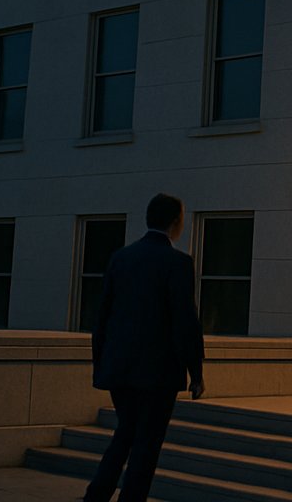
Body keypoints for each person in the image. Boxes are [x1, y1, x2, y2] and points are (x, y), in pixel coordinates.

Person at [85, 193, 206, 502]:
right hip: (157, 373)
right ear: (176, 222)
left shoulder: (121, 257)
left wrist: (101, 364)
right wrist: (196, 371)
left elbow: (102, 317)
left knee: (125, 434)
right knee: (147, 444)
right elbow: (185, 320)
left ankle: (97, 494)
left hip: (120, 368)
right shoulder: (178, 263)